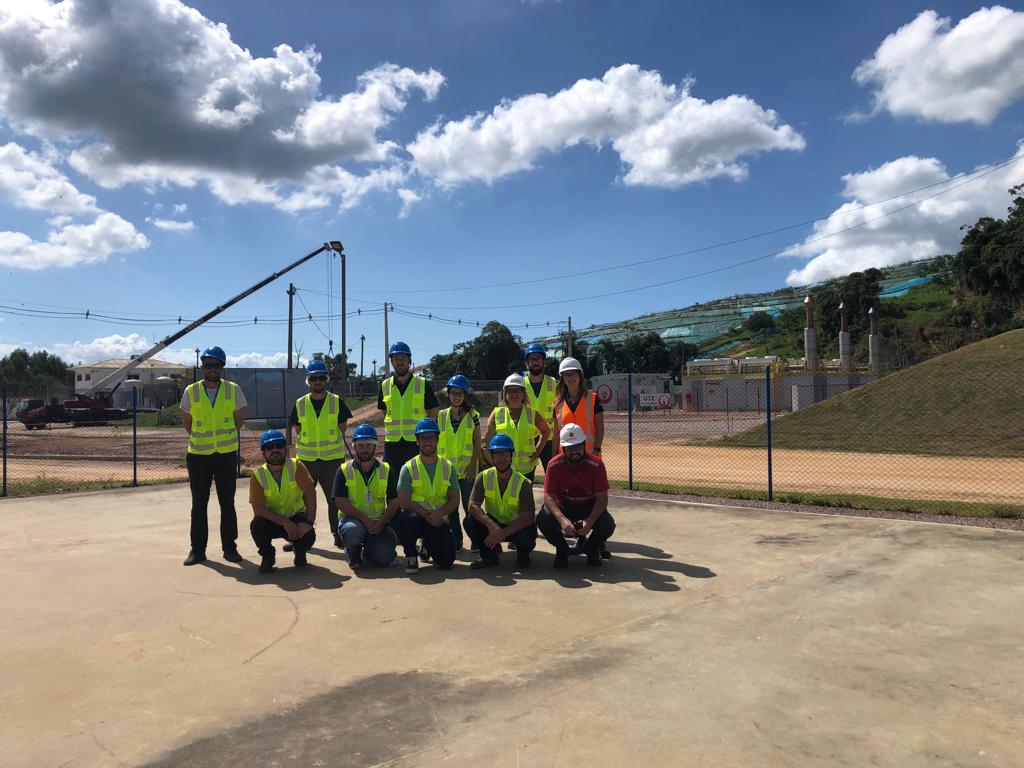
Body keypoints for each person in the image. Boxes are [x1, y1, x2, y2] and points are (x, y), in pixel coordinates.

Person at [180, 345, 246, 566]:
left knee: (227, 504)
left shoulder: (233, 390)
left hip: (226, 455)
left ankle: (230, 549)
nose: (212, 369)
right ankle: (197, 551)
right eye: (208, 365)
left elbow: (239, 421)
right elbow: (187, 424)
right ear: (202, 367)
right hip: (198, 456)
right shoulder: (191, 391)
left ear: (222, 368)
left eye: (216, 365)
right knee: (199, 504)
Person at [291, 359, 352, 550]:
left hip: (331, 460)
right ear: (308, 381)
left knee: (336, 498)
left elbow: (343, 428)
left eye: (321, 378)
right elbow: (298, 429)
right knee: (302, 499)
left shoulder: (336, 403)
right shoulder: (300, 404)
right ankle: (301, 536)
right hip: (306, 460)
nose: (318, 381)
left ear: (326, 379)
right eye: (314, 378)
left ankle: (338, 533)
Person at [538, 424, 615, 568]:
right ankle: (562, 549)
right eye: (570, 447)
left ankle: (591, 547)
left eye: (578, 446)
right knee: (543, 519)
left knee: (607, 525)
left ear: (584, 445)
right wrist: (562, 520)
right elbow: (548, 497)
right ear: (563, 448)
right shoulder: (553, 465)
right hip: (564, 507)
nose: (575, 451)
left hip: (587, 508)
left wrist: (590, 521)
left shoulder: (596, 465)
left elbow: (602, 498)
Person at [395, 418, 460, 575]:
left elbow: (455, 499)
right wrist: (425, 514)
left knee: (446, 562)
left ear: (437, 439)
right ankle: (411, 555)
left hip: (438, 520)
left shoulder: (447, 467)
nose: (427, 442)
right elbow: (403, 502)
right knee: (404, 519)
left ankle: (426, 544)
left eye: (431, 437)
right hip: (416, 518)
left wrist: (440, 513)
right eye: (423, 438)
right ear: (417, 441)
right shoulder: (408, 467)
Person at [249, 430, 317, 574]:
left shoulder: (296, 466)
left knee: (308, 535)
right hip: (272, 521)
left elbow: (311, 493)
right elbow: (259, 509)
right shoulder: (258, 475)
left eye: (279, 446)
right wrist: (285, 522)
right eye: (269, 447)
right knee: (257, 525)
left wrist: (309, 522)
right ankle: (268, 556)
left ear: (285, 449)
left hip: (296, 517)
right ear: (263, 453)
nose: (275, 450)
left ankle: (300, 551)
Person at [333, 424, 399, 570]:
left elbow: (394, 501)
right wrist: (364, 519)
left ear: (375, 446)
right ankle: (354, 553)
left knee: (383, 560)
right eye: (361, 445)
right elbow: (339, 500)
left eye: (369, 445)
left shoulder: (386, 470)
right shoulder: (344, 470)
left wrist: (382, 522)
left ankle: (370, 551)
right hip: (353, 520)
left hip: (378, 522)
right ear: (354, 447)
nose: (365, 449)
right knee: (351, 531)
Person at [465, 435, 536, 569]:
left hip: (516, 527)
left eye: (505, 453)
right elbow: (472, 505)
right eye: (496, 454)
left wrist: (500, 534)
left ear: (511, 456)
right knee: (470, 521)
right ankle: (489, 556)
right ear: (492, 457)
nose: (501, 458)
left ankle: (522, 554)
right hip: (495, 524)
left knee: (527, 537)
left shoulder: (523, 483)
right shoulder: (484, 477)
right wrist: (492, 526)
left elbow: (527, 518)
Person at [377, 341, 438, 473]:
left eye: (403, 358)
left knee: (416, 482)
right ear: (392, 362)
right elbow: (385, 412)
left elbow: (432, 412)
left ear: (409, 361)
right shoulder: (384, 386)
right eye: (396, 359)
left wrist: (427, 438)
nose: (400, 362)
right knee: (392, 485)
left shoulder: (422, 384)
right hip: (392, 445)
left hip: (415, 443)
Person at [436, 374, 480, 550]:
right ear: (448, 394)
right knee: (452, 508)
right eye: (453, 393)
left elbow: (478, 442)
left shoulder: (473, 415)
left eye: (459, 393)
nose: (456, 397)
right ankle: (457, 539)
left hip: (468, 470)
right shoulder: (440, 416)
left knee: (470, 507)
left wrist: (472, 464)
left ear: (465, 394)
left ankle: (476, 538)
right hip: (448, 472)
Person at [482, 373, 549, 484]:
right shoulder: (497, 413)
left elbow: (546, 431)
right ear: (505, 394)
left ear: (523, 394)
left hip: (527, 468)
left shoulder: (532, 414)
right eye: (510, 390)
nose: (514, 394)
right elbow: (489, 438)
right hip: (504, 467)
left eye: (518, 390)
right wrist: (492, 459)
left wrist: (538, 450)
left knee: (525, 499)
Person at [554, 357, 604, 458]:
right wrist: (554, 458)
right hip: (566, 458)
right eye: (566, 374)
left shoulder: (593, 399)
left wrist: (596, 450)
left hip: (589, 456)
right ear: (562, 378)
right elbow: (556, 435)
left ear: (580, 375)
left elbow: (600, 429)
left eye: (573, 373)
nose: (570, 377)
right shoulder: (557, 403)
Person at [523, 343, 557, 471]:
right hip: (528, 438)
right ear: (527, 363)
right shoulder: (521, 385)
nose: (535, 362)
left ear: (543, 361)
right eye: (532, 359)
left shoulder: (553, 383)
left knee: (553, 474)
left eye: (538, 359)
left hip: (549, 439)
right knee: (526, 476)